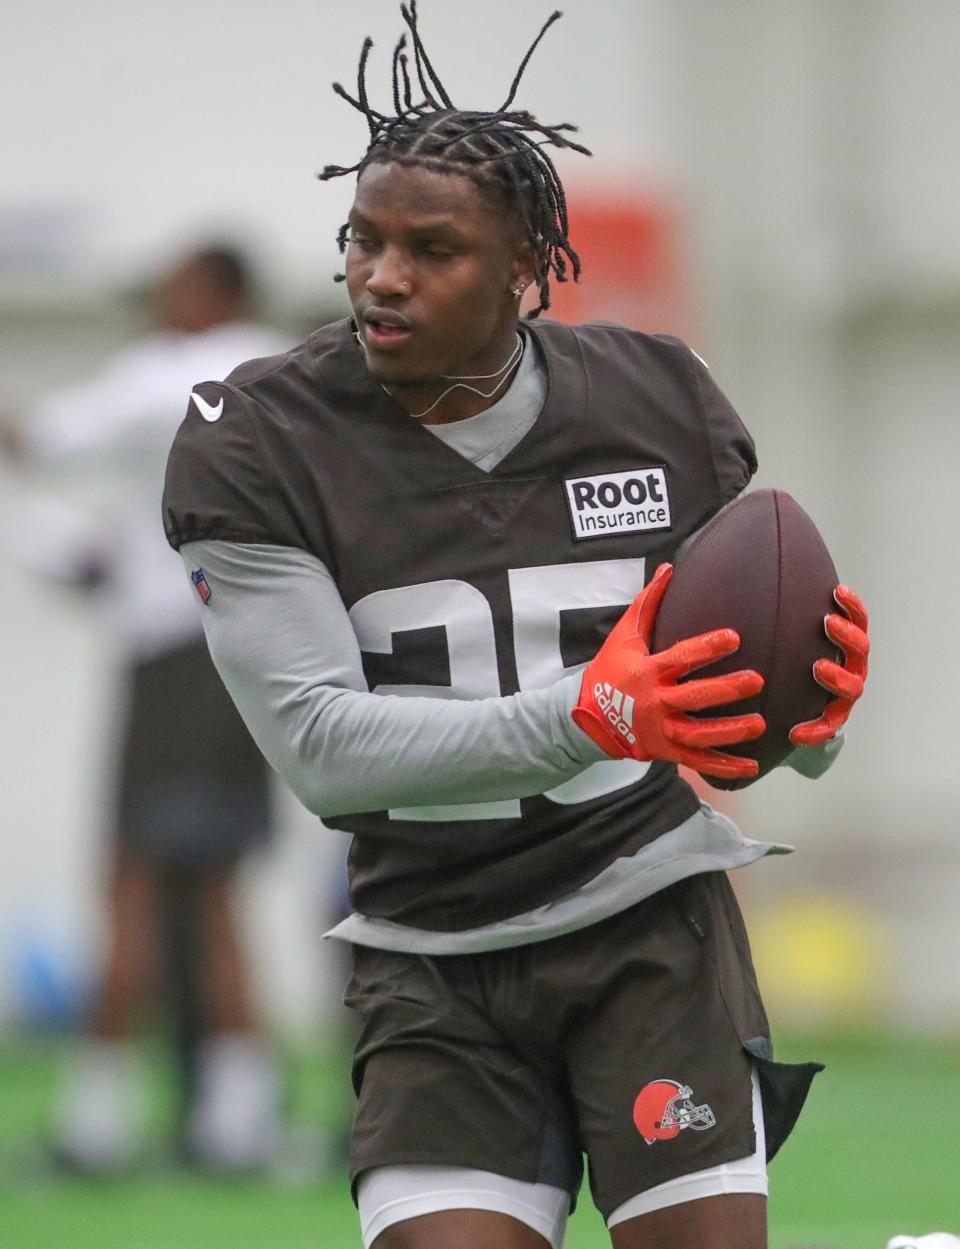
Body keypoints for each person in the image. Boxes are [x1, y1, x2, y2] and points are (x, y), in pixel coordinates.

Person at [162, 7, 869, 1246]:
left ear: (529, 267)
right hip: (430, 951)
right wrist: (591, 711)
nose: (383, 277)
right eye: (363, 240)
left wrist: (809, 719)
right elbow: (321, 747)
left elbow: (728, 710)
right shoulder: (260, 440)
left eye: (432, 248)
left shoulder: (658, 402)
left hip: (649, 919)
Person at [2, 245, 290, 1173]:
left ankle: (100, 1125)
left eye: (170, 289)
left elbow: (36, 437)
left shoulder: (187, 365)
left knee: (133, 881)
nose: (155, 309)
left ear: (216, 289)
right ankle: (233, 1123)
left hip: (175, 663)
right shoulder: (281, 372)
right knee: (216, 890)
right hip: (240, 657)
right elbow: (121, 547)